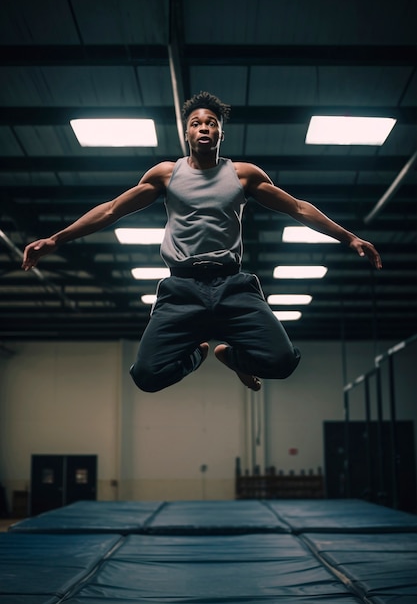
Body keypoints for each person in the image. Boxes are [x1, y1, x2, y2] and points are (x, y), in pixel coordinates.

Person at [22, 91, 382, 393]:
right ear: (187, 134)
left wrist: (348, 237)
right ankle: (198, 351)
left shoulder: (243, 174)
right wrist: (56, 239)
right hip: (181, 289)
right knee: (145, 376)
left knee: (283, 361)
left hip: (233, 286)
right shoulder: (166, 174)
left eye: (211, 122)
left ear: (220, 133)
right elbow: (113, 210)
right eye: (196, 123)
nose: (204, 127)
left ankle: (231, 356)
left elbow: (299, 208)